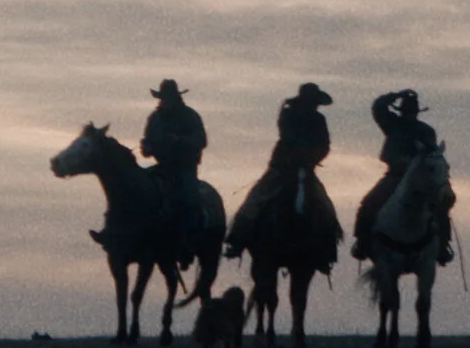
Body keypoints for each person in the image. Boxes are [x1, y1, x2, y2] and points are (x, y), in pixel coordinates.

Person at [224, 82, 337, 260]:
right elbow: (287, 136)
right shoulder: (288, 114)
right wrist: (301, 153)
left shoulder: (319, 119)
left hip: (307, 168)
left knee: (325, 205)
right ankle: (237, 239)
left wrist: (314, 157)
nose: (313, 106)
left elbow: (325, 143)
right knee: (255, 199)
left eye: (315, 103)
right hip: (282, 168)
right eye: (311, 102)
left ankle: (328, 249)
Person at [351, 88, 453, 264]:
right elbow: (378, 106)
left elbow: (430, 155)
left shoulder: (426, 131)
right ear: (402, 112)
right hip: (395, 176)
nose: (409, 115)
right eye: (406, 112)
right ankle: (362, 241)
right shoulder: (392, 124)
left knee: (440, 208)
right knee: (369, 203)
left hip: (420, 180)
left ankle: (442, 245)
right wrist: (396, 95)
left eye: (411, 112)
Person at [138, 79, 208, 235]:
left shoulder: (190, 116)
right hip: (162, 167)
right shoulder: (154, 119)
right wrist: (146, 148)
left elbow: (201, 140)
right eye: (163, 98)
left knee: (190, 198)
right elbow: (147, 145)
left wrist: (180, 140)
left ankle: (194, 232)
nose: (165, 101)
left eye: (168, 97)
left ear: (176, 98)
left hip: (185, 167)